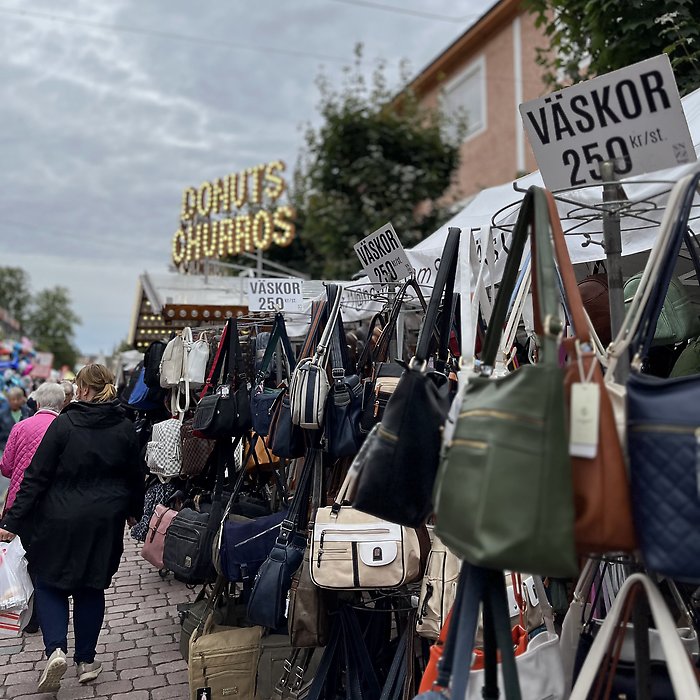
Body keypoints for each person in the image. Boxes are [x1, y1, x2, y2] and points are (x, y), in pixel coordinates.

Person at [0, 364, 145, 694]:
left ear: (82, 390)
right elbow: (135, 477)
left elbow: (36, 476)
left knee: (49, 583)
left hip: (59, 517)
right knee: (91, 586)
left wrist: (11, 521)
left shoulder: (65, 424)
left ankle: (55, 651)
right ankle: (86, 661)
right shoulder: (124, 427)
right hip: (104, 521)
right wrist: (134, 513)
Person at [0, 382, 65, 514]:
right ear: (62, 404)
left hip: (18, 501)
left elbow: (6, 468)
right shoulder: (67, 429)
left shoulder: (19, 427)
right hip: (52, 503)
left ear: (38, 403)